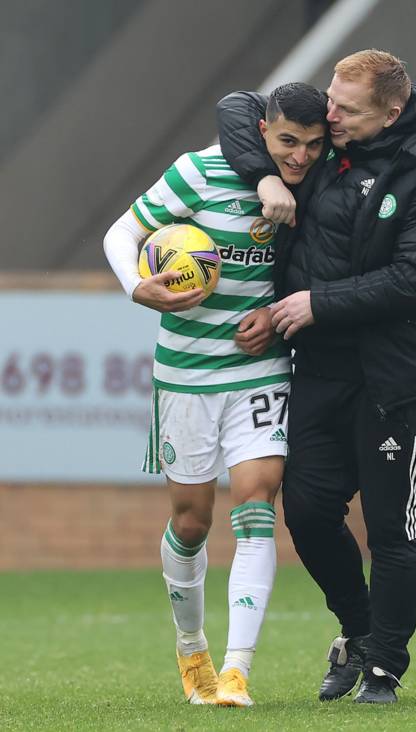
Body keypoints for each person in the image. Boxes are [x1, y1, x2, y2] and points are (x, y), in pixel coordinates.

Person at [217, 50, 416, 704]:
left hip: (396, 379)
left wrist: (317, 304)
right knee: (310, 510)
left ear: (392, 112)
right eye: (331, 99)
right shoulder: (324, 150)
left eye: (346, 109)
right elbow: (238, 107)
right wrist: (262, 179)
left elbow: (414, 277)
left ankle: (383, 666)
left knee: (392, 529)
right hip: (323, 369)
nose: (331, 115)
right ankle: (357, 631)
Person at [103, 82, 328, 707]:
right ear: (261, 132)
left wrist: (275, 312)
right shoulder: (197, 173)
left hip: (258, 371)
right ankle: (191, 646)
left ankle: (236, 672)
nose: (300, 157)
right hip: (186, 375)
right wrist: (136, 286)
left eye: (312, 145)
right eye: (288, 142)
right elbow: (120, 234)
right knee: (191, 521)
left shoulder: (314, 181)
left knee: (257, 505)